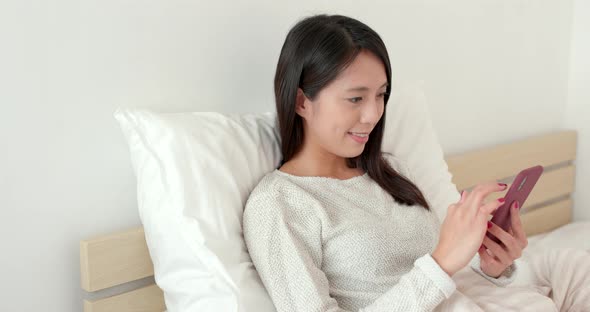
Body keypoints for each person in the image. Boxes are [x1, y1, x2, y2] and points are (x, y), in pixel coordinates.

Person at [242, 14, 526, 311]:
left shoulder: (391, 171)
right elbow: (434, 275)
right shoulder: (278, 205)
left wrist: (492, 267)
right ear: (302, 102)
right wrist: (441, 263)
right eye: (355, 99)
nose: (373, 115)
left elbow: (442, 289)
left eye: (381, 95)